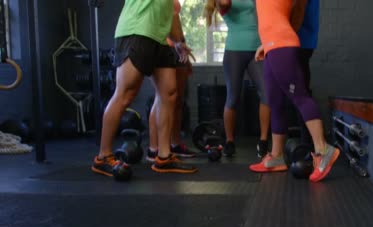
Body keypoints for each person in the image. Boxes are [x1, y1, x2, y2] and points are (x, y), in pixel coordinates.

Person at [91, 0, 197, 177]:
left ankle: (164, 156)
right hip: (136, 30)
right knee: (125, 93)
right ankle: (103, 156)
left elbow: (171, 11)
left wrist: (179, 41)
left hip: (161, 38)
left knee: (169, 93)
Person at [249, 0, 339, 182]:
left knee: (301, 97)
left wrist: (275, 40)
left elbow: (294, 12)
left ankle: (323, 149)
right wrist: (266, 44)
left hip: (282, 43)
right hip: (271, 45)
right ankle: (277, 156)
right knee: (275, 102)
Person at [204, 0, 270, 158]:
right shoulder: (222, 3)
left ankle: (263, 140)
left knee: (267, 94)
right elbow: (224, 3)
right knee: (233, 97)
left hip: (257, 49)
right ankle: (229, 141)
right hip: (234, 51)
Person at [147, 0, 197, 161]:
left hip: (176, 47)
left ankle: (174, 144)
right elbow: (169, 21)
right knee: (162, 98)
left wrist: (182, 46)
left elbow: (176, 22)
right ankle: (154, 148)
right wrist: (179, 43)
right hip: (165, 46)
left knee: (176, 99)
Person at [293, 0, 319, 145]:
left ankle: (309, 143)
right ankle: (307, 142)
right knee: (301, 91)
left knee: (301, 93)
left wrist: (288, 34)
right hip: (303, 42)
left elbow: (299, 8)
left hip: (298, 42)